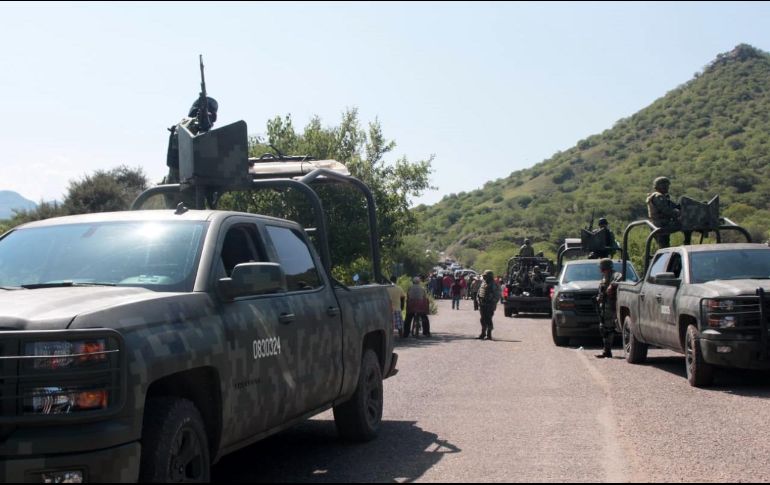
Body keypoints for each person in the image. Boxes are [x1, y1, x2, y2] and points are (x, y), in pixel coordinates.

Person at [646, 177, 689, 248]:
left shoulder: (661, 196)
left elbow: (673, 206)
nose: (667, 187)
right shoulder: (658, 197)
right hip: (661, 225)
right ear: (661, 186)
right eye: (666, 185)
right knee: (686, 225)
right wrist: (679, 214)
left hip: (660, 224)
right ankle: (687, 244)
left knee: (664, 246)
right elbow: (667, 211)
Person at [596, 258, 622, 359]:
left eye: (601, 267)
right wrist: (599, 298)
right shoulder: (604, 277)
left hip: (611, 307)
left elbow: (620, 278)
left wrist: (612, 285)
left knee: (609, 329)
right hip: (604, 307)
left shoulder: (614, 275)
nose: (600, 269)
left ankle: (607, 351)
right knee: (603, 329)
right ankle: (606, 350)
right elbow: (601, 291)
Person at [477, 270, 498, 340]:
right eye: (484, 276)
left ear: (489, 277)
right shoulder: (483, 283)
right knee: (482, 319)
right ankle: (483, 333)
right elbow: (479, 292)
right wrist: (478, 300)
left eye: (485, 276)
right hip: (482, 304)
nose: (484, 277)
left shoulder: (493, 284)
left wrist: (492, 302)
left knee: (488, 319)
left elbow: (497, 295)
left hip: (489, 305)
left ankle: (489, 334)